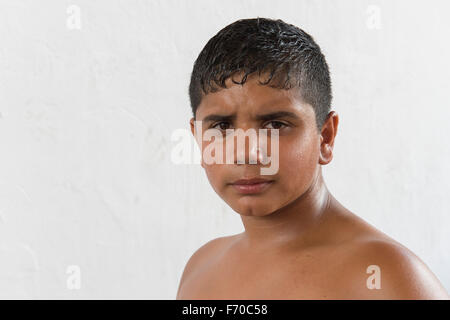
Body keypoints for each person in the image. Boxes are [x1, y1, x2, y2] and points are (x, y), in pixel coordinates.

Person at [176, 17, 449, 299]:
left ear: (326, 137)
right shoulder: (202, 268)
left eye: (275, 125)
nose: (248, 153)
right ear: (198, 138)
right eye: (222, 127)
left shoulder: (386, 277)